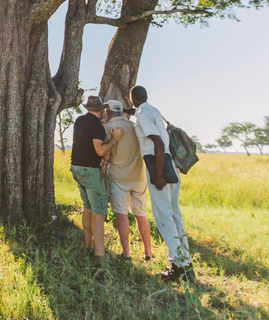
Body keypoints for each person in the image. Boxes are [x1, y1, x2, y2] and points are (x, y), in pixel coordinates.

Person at [130, 85, 194, 282]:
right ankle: (186, 262)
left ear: (132, 98)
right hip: (171, 165)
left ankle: (179, 266)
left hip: (159, 166)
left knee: (163, 217)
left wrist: (158, 175)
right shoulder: (153, 111)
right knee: (175, 215)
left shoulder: (142, 115)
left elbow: (157, 143)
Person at [70, 95, 122, 259]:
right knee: (99, 213)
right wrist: (114, 140)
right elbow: (100, 151)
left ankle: (88, 246)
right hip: (90, 171)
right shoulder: (97, 126)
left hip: (76, 168)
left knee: (88, 208)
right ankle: (100, 255)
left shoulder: (79, 120)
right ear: (101, 110)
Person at [102, 99, 153, 262]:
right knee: (141, 215)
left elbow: (107, 156)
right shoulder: (134, 126)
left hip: (119, 177)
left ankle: (126, 253)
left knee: (122, 215)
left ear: (108, 112)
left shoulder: (107, 128)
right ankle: (148, 253)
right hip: (138, 176)